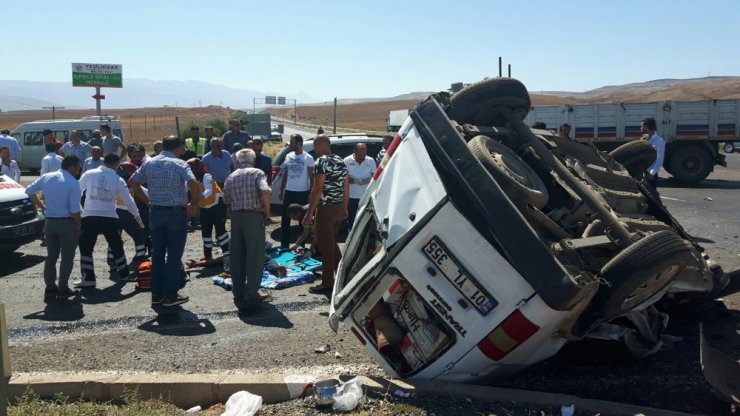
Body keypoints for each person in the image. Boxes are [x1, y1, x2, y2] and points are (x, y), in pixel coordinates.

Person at [129, 135, 200, 308]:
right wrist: (193, 205)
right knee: (174, 256)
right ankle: (170, 294)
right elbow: (193, 183)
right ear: (178, 147)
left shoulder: (150, 163)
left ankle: (157, 293)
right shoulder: (180, 164)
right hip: (176, 213)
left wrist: (147, 202)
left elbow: (132, 182)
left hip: (156, 212)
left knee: (157, 254)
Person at [75, 154, 141, 288]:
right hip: (110, 216)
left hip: (90, 216)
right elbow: (129, 201)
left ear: (104, 161)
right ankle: (124, 274)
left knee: (86, 248)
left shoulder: (89, 173)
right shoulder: (117, 179)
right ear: (117, 165)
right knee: (116, 245)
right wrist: (137, 217)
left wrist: (80, 210)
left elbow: (77, 192)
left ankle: (88, 278)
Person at [25, 155, 83, 300]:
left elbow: (29, 190)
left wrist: (41, 206)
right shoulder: (73, 183)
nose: (78, 171)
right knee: (67, 257)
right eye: (78, 168)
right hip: (67, 223)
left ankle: (50, 288)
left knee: (51, 257)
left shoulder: (47, 177)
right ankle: (63, 289)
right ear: (72, 167)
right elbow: (75, 209)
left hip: (50, 222)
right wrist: (78, 223)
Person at [222, 148, 271, 314]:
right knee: (255, 256)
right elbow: (265, 190)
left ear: (237, 161)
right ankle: (251, 293)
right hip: (252, 216)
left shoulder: (231, 176)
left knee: (237, 256)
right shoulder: (257, 173)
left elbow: (225, 199)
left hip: (236, 217)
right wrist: (266, 210)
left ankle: (239, 292)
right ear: (253, 159)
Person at [303, 134, 349, 294]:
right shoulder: (340, 160)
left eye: (316, 146)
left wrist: (309, 213)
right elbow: (346, 186)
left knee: (325, 246)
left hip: (326, 208)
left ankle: (327, 283)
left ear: (321, 146)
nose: (315, 150)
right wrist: (345, 208)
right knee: (332, 243)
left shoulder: (321, 161)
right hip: (338, 208)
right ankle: (345, 276)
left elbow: (318, 188)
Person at [187, 158, 230, 276]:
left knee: (220, 230)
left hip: (217, 205)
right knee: (206, 230)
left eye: (191, 167)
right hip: (205, 207)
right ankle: (207, 255)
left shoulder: (206, 176)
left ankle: (228, 253)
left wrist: (195, 200)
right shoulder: (190, 179)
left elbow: (209, 191)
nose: (189, 169)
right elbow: (186, 190)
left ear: (198, 167)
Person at [279, 134, 314, 247]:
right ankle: (284, 244)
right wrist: (281, 189)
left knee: (302, 220)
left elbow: (311, 177)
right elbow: (286, 173)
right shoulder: (289, 156)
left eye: (292, 142)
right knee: (285, 219)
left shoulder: (308, 158)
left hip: (303, 192)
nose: (290, 144)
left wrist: (310, 193)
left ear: (299, 143)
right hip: (289, 191)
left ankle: (301, 246)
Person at [343, 143, 376, 231]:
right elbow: (343, 178)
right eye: (359, 155)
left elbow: (375, 177)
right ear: (354, 151)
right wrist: (355, 181)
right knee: (352, 220)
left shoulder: (370, 160)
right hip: (352, 197)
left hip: (366, 197)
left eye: (363, 155)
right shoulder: (346, 161)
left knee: (365, 220)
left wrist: (368, 180)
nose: (362, 157)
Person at [641, 117, 665, 189]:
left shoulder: (659, 141)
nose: (640, 128)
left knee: (651, 195)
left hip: (650, 173)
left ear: (646, 127)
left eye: (642, 126)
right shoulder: (644, 139)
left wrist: (652, 173)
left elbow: (660, 159)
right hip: (642, 171)